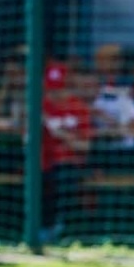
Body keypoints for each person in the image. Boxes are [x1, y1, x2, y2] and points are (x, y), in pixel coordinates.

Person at [40, 61, 91, 241]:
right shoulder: (40, 107)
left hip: (71, 165)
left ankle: (61, 228)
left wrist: (62, 135)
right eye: (50, 90)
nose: (53, 95)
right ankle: (44, 227)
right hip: (44, 163)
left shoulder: (79, 108)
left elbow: (86, 147)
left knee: (62, 176)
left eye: (58, 90)